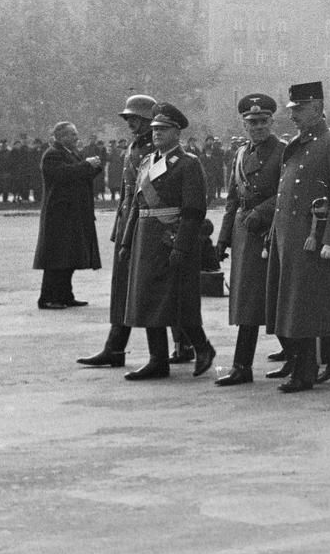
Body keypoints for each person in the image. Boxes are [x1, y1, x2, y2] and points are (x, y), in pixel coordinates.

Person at [264, 82, 330, 391]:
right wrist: (272, 236)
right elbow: (284, 195)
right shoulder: (297, 144)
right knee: (300, 305)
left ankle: (305, 372)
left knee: (304, 308)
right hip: (289, 238)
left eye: (300, 109)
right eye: (292, 110)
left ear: (318, 108)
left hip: (313, 240)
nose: (293, 115)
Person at [119, 104, 216, 380]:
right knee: (148, 300)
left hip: (170, 239)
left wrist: (181, 244)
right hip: (145, 240)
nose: (157, 134)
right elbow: (138, 205)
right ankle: (157, 360)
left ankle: (202, 347)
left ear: (177, 132)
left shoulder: (188, 163)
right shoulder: (147, 161)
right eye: (155, 129)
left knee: (178, 300)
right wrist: (127, 241)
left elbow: (194, 209)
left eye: (163, 129)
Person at [76, 94, 157, 369]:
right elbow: (125, 191)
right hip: (128, 222)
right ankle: (115, 348)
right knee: (124, 288)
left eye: (135, 118)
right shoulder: (137, 145)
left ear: (148, 119)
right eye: (129, 119)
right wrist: (119, 227)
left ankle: (187, 344)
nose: (130, 123)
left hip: (142, 223)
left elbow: (146, 193)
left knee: (148, 288)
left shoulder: (152, 148)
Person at [211, 93, 285, 386]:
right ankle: (244, 366)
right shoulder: (241, 153)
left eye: (263, 121)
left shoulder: (283, 152)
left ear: (271, 122)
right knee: (248, 301)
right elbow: (232, 199)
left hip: (268, 232)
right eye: (252, 122)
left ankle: (297, 357)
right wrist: (224, 237)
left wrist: (263, 211)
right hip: (245, 232)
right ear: (244, 124)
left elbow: (288, 193)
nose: (258, 127)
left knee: (266, 299)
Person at [33, 121, 104, 309]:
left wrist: (93, 167)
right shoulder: (52, 154)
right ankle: (47, 298)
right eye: (72, 134)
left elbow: (78, 176)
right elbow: (63, 175)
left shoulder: (70, 153)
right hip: (59, 214)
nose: (76, 137)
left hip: (71, 214)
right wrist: (86, 165)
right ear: (61, 136)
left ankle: (65, 295)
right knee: (56, 259)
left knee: (68, 257)